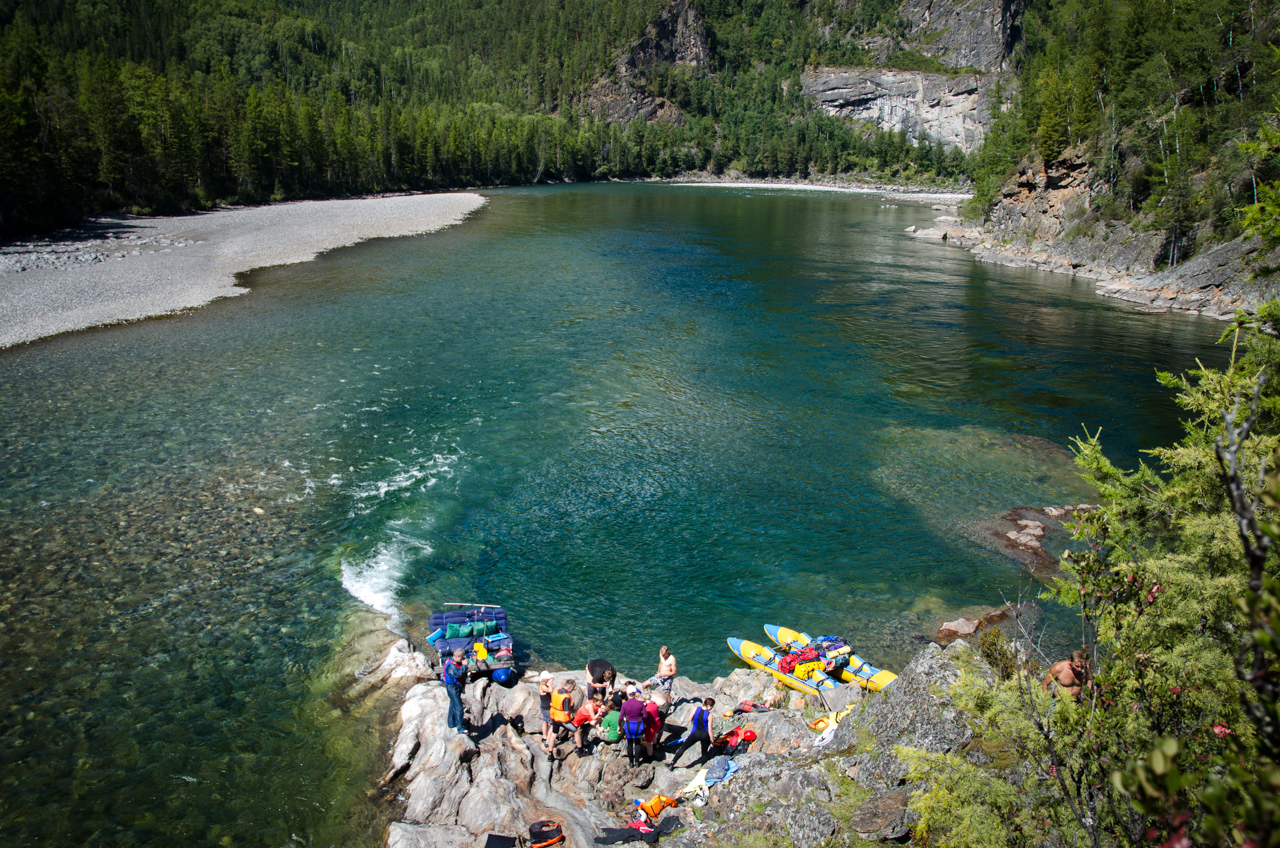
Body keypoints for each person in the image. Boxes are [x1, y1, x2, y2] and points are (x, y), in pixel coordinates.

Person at [669, 697, 715, 770]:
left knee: (683, 747)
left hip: (695, 733)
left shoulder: (696, 708)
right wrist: (712, 740)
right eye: (712, 707)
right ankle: (702, 770)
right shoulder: (709, 715)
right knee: (704, 753)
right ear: (709, 706)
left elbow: (689, 719)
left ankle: (672, 764)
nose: (711, 708)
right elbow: (710, 729)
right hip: (705, 735)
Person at [547, 678, 578, 755]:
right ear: (569, 687)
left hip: (554, 717)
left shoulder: (556, 691)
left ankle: (550, 753)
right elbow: (567, 711)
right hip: (562, 720)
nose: (572, 690)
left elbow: (552, 703)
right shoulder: (566, 697)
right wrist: (572, 710)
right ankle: (579, 748)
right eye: (573, 689)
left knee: (554, 735)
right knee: (576, 731)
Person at [442, 648, 469, 735]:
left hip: (455, 687)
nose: (463, 659)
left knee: (452, 705)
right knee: (459, 708)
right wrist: (464, 666)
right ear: (457, 657)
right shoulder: (451, 666)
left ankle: (451, 722)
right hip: (452, 688)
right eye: (462, 658)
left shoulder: (452, 661)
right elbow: (457, 674)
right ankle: (460, 727)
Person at [620, 685, 648, 767]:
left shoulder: (625, 704)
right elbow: (645, 716)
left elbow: (621, 717)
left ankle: (631, 762)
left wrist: (619, 726)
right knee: (637, 744)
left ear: (627, 693)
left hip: (628, 725)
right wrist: (640, 716)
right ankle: (637, 762)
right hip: (638, 725)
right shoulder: (640, 703)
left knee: (629, 744)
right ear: (635, 693)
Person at [538, 671, 556, 754]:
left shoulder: (542, 686)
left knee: (545, 722)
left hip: (544, 706)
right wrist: (550, 684)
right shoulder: (542, 686)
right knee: (552, 724)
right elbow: (550, 690)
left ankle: (544, 737)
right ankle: (548, 740)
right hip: (546, 708)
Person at [643, 691, 665, 759]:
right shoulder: (654, 703)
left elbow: (644, 716)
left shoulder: (646, 708)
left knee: (648, 742)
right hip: (658, 723)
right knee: (654, 733)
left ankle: (650, 756)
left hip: (651, 725)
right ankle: (655, 745)